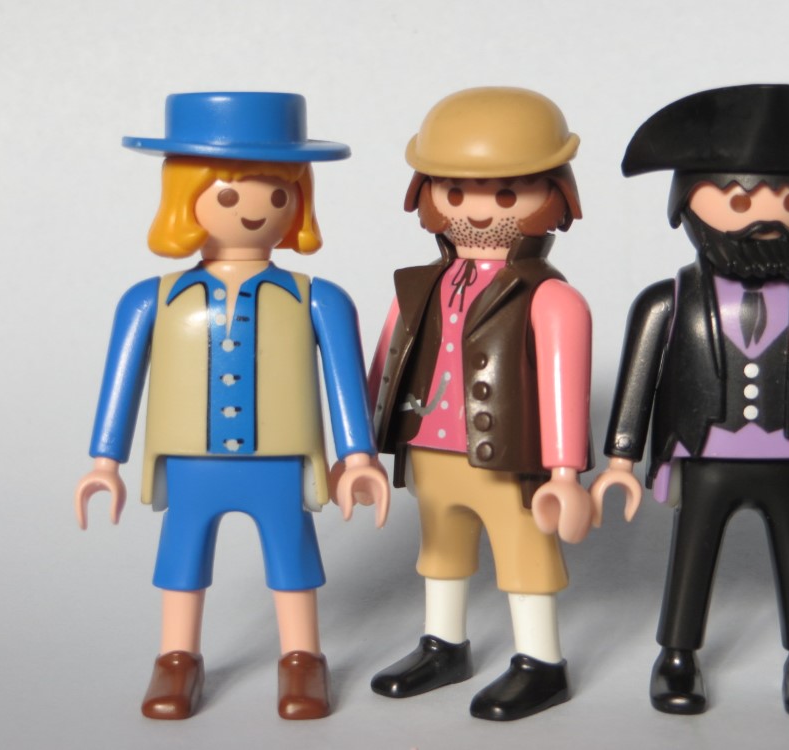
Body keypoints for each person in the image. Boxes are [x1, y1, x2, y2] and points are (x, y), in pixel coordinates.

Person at [591, 84, 789, 717]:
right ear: (687, 204)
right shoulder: (667, 302)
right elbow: (638, 382)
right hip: (704, 454)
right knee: (691, 555)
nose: (768, 217)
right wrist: (620, 462)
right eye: (739, 200)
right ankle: (677, 655)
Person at [74, 92, 389, 720]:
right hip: (191, 461)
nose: (254, 210)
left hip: (281, 460)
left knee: (291, 555)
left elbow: (345, 381)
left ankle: (302, 658)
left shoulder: (319, 298)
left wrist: (358, 456)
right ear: (184, 199)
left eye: (278, 194)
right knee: (182, 557)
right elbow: (121, 381)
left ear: (299, 200)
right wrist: (104, 461)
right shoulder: (150, 299)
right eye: (227, 196)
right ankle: (176, 658)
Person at [368, 87, 592, 721]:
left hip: (508, 455)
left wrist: (565, 473)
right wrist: (360, 448)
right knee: (441, 549)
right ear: (428, 194)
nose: (479, 211)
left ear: (554, 196)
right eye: (456, 192)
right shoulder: (419, 287)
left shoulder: (549, 297)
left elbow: (564, 385)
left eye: (506, 194)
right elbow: (386, 363)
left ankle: (540, 661)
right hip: (429, 449)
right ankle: (443, 645)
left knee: (525, 553)